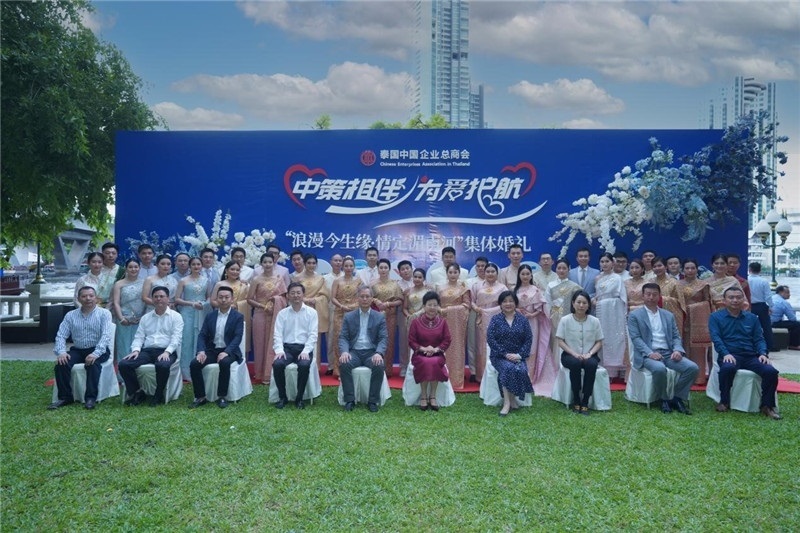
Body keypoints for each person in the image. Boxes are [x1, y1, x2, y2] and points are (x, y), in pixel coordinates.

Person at [709, 287, 781, 419]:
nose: (735, 300)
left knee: (771, 371)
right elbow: (716, 338)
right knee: (727, 368)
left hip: (750, 356)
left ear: (743, 300)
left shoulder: (752, 318)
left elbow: (759, 339)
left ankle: (767, 406)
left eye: (738, 297)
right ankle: (724, 401)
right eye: (731, 297)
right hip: (730, 354)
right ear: (724, 300)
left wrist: (763, 353)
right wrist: (725, 353)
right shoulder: (715, 317)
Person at [628, 283, 698, 414]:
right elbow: (636, 338)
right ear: (643, 296)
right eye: (648, 294)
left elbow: (676, 336)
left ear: (659, 296)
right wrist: (650, 353)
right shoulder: (634, 315)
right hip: (648, 354)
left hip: (668, 353)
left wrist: (677, 350)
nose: (651, 297)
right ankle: (664, 399)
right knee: (659, 369)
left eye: (654, 294)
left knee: (692, 368)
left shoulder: (668, 315)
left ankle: (677, 397)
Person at [48, 286, 113, 410]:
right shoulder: (70, 315)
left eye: (91, 296)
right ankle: (65, 397)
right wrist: (61, 352)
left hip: (98, 349)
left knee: (93, 364)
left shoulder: (104, 313)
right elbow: (61, 335)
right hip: (78, 350)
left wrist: (96, 353)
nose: (88, 298)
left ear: (96, 298)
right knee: (62, 363)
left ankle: (90, 398)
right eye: (84, 296)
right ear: (78, 299)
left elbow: (106, 336)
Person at [119, 286, 183, 406]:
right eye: (156, 297)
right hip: (147, 351)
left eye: (162, 296)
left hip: (166, 350)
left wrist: (167, 352)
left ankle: (158, 394)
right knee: (124, 364)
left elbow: (176, 338)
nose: (159, 299)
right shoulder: (146, 318)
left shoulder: (176, 317)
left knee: (162, 365)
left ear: (168, 298)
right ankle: (137, 392)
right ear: (152, 299)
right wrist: (136, 350)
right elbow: (139, 337)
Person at [188, 286, 244, 409]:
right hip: (212, 350)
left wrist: (227, 352)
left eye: (226, 297)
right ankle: (200, 397)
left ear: (232, 299)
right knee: (194, 364)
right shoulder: (210, 316)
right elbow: (202, 335)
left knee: (224, 362)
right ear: (216, 299)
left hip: (230, 351)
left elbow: (237, 337)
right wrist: (201, 351)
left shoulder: (238, 317)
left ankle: (222, 396)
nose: (223, 300)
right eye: (221, 297)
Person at [338, 286, 388, 412]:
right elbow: (343, 337)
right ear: (357, 298)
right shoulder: (349, 316)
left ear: (372, 299)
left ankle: (373, 401)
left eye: (367, 296)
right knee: (344, 363)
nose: (365, 299)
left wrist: (379, 353)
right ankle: (349, 400)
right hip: (354, 352)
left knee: (379, 365)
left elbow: (383, 338)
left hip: (371, 352)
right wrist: (344, 351)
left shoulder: (379, 317)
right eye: (362, 296)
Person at [487, 290, 534, 416]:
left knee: (520, 370)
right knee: (508, 368)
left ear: (516, 303)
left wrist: (519, 355)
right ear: (500, 304)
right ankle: (507, 403)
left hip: (518, 356)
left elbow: (528, 339)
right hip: (499, 356)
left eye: (511, 301)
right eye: (505, 301)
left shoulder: (523, 320)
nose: (508, 304)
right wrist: (505, 354)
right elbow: (491, 339)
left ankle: (512, 399)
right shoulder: (495, 319)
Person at [272, 282, 318, 409]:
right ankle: (283, 397)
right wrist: (279, 350)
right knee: (277, 364)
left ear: (303, 295)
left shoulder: (312, 313)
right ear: (288, 295)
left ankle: (299, 398)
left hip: (304, 348)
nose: (296, 295)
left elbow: (313, 335)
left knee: (304, 365)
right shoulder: (282, 313)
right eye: (292, 293)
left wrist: (306, 351)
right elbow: (277, 334)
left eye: (298, 293)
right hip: (287, 348)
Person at [556, 291, 603, 415]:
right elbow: (560, 341)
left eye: (584, 303)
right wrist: (574, 354)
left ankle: (585, 401)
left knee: (591, 365)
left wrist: (590, 354)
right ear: (573, 303)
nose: (581, 305)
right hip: (569, 355)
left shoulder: (595, 321)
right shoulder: (565, 320)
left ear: (588, 305)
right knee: (575, 364)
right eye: (578, 302)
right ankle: (576, 399)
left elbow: (599, 342)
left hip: (589, 355)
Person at [246, 253, 287, 384]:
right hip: (260, 314)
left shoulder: (279, 278)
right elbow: (249, 299)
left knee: (274, 342)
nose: (268, 264)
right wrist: (263, 306)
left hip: (275, 314)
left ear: (274, 263)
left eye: (270, 262)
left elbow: (284, 297)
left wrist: (275, 301)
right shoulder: (256, 279)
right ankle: (259, 373)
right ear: (261, 264)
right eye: (265, 262)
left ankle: (271, 373)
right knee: (259, 343)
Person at [408, 291, 452, 411]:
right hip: (420, 354)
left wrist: (436, 349)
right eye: (429, 305)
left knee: (434, 362)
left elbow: (447, 340)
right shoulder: (416, 322)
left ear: (438, 306)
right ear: (424, 306)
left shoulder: (443, 322)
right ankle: (423, 395)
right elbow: (411, 341)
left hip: (437, 354)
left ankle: (432, 396)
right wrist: (424, 349)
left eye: (435, 305)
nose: (432, 307)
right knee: (425, 362)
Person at [514, 265, 551, 392]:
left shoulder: (536, 290)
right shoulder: (515, 290)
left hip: (532, 322)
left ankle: (530, 377)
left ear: (531, 275)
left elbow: (541, 308)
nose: (525, 276)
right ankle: (518, 376)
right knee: (518, 346)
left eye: (527, 274)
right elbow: (510, 306)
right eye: (522, 274)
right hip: (518, 323)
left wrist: (532, 314)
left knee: (531, 347)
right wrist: (517, 311)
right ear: (519, 275)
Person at [173, 257, 209, 381]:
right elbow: (177, 299)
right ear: (190, 266)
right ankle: (186, 371)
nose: (196, 266)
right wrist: (192, 304)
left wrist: (204, 304)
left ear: (201, 266)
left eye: (198, 264)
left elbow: (209, 297)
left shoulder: (206, 280)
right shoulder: (183, 281)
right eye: (193, 264)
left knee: (201, 338)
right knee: (187, 340)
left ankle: (200, 368)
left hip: (202, 312)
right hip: (187, 313)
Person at [679, 258, 714, 384]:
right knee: (683, 346)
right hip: (682, 318)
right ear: (682, 270)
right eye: (687, 268)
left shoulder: (703, 284)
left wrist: (693, 308)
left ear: (696, 269)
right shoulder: (677, 284)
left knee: (698, 349)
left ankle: (699, 377)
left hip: (698, 320)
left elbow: (708, 303)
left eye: (692, 268)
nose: (690, 270)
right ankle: (684, 376)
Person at [593, 252, 627, 379]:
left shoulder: (617, 278)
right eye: (602, 262)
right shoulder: (597, 278)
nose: (604, 264)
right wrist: (595, 301)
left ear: (613, 263)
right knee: (602, 337)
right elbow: (598, 295)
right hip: (601, 311)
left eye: (607, 261)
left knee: (616, 338)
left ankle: (617, 370)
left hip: (614, 312)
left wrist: (604, 303)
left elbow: (621, 297)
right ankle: (606, 371)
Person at [438, 262, 472, 388]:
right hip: (442, 321)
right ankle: (441, 378)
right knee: (442, 347)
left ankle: (456, 380)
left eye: (455, 272)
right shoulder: (440, 288)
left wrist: (448, 310)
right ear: (446, 273)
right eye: (450, 272)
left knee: (457, 348)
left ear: (459, 273)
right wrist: (440, 310)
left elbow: (466, 305)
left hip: (458, 323)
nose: (453, 275)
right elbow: (436, 304)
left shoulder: (463, 288)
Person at [294, 253, 330, 370]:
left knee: (315, 338)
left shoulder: (321, 279)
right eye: (309, 263)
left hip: (316, 310)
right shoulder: (297, 278)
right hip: (301, 310)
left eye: (314, 263)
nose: (311, 265)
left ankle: (315, 367)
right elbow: (293, 294)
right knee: (301, 337)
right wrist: (304, 300)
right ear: (304, 264)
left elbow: (325, 296)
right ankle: (302, 365)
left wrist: (315, 300)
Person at [330, 256, 362, 377]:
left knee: (353, 339)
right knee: (339, 340)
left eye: (351, 266)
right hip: (339, 313)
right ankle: (339, 370)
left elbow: (363, 297)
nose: (348, 268)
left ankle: (352, 367)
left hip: (354, 313)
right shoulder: (337, 281)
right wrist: (342, 306)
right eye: (346, 266)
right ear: (343, 267)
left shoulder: (359, 281)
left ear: (354, 267)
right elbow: (333, 298)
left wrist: (353, 306)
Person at [371, 258, 403, 377]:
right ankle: (376, 367)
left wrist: (388, 304)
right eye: (381, 267)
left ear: (389, 269)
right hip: (376, 316)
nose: (383, 270)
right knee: (375, 341)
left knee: (389, 342)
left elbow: (400, 300)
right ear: (378, 269)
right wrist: (376, 300)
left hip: (390, 317)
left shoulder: (395, 284)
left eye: (385, 267)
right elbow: (366, 297)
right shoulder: (372, 284)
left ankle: (387, 370)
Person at [545, 259, 582, 361]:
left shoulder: (574, 286)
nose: (561, 270)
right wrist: (548, 317)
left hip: (569, 317)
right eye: (559, 268)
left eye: (564, 268)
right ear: (556, 269)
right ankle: (555, 365)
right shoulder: (550, 285)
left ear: (569, 269)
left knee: (568, 340)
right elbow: (547, 303)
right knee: (555, 340)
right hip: (554, 318)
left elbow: (580, 301)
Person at [111, 259, 145, 363]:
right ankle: (122, 371)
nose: (133, 269)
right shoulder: (119, 284)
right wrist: (121, 318)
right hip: (124, 319)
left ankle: (137, 370)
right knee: (123, 345)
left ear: (139, 268)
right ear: (126, 269)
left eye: (136, 267)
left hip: (140, 319)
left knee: (139, 345)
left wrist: (144, 317)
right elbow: (116, 302)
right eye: (130, 267)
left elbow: (147, 300)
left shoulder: (145, 282)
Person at [466, 257, 488, 382]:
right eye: (478, 266)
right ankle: (473, 371)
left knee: (486, 342)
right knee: (472, 341)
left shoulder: (493, 280)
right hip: (473, 313)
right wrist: (476, 308)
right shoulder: (469, 282)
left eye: (483, 266)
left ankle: (486, 369)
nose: (481, 268)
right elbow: (467, 299)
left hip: (490, 315)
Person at [652, 256, 687, 334]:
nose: (657, 268)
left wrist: (663, 300)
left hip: (670, 317)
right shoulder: (650, 282)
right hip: (653, 316)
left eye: (659, 265)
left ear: (665, 267)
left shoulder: (674, 282)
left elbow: (681, 303)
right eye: (654, 266)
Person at [323, 254, 344, 373]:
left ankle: (344, 364)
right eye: (335, 260)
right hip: (330, 311)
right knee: (330, 338)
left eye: (340, 260)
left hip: (346, 311)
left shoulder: (347, 277)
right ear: (331, 262)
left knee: (345, 338)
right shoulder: (325, 278)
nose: (338, 263)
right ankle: (331, 365)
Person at [747, 262, 774, 352]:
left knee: (748, 326)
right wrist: (771, 306)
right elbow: (768, 296)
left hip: (748, 305)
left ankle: (750, 345)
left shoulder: (746, 280)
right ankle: (769, 346)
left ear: (749, 269)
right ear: (760, 270)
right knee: (766, 326)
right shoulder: (764, 281)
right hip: (761, 305)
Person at [395, 260, 414, 378]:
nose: (406, 271)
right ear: (399, 272)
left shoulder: (420, 281)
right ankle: (403, 366)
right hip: (403, 315)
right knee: (403, 341)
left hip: (418, 315)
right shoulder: (397, 285)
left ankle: (415, 365)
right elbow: (397, 300)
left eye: (407, 268)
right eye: (403, 269)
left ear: (412, 269)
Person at [771, 285, 800, 350]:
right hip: (774, 323)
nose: (789, 295)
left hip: (766, 322)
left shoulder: (771, 298)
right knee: (797, 324)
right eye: (787, 292)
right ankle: (793, 345)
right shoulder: (783, 302)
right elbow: (792, 318)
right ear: (781, 292)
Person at [97, 242, 120, 307]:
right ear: (102, 254)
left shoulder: (121, 271)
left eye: (113, 253)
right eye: (107, 253)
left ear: (117, 255)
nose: (111, 255)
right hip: (94, 304)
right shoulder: (97, 268)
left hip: (113, 305)